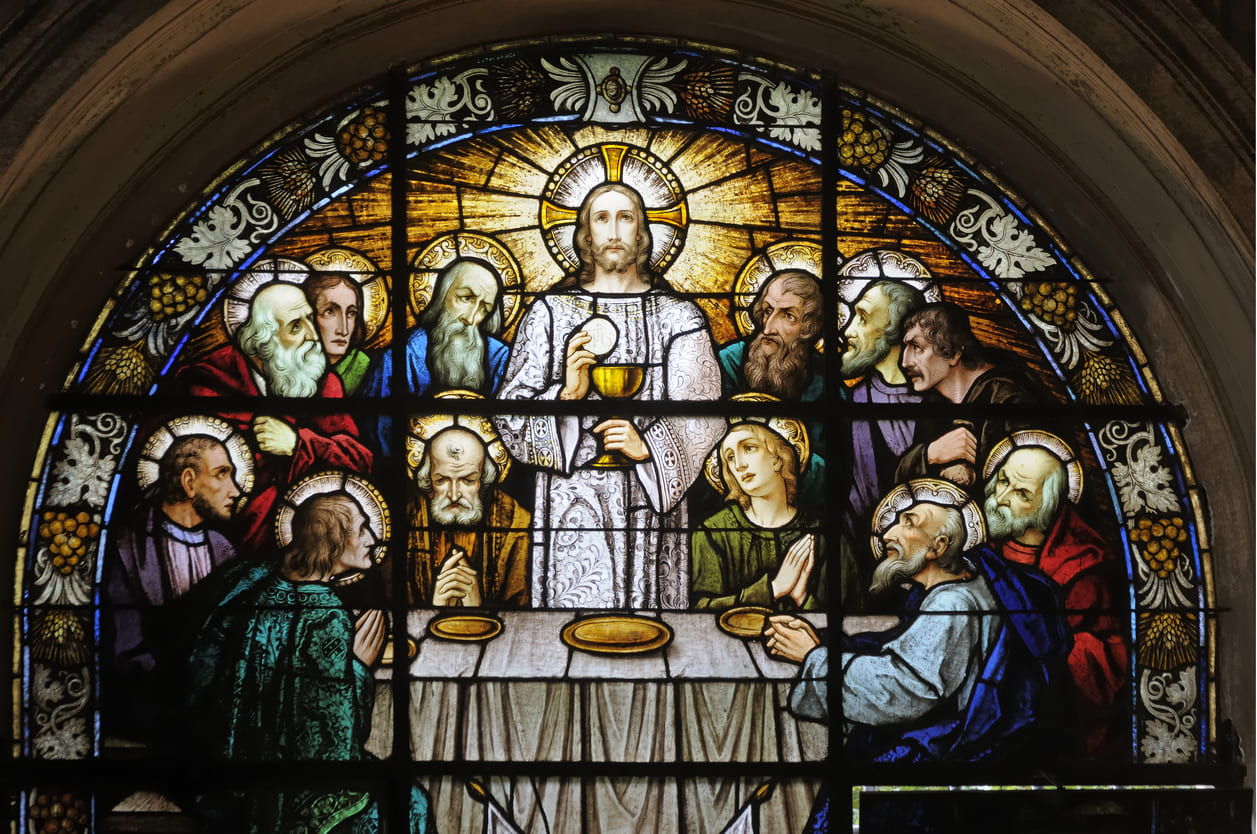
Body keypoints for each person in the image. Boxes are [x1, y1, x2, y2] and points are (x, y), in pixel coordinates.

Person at [495, 182, 724, 609]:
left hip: (652, 505)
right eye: (602, 219)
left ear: (642, 234)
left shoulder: (678, 315)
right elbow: (509, 414)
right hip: (571, 500)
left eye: (626, 218)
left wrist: (649, 446)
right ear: (585, 235)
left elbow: (706, 412)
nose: (614, 230)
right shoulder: (548, 313)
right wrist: (565, 397)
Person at [767, 479, 1070, 766]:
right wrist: (825, 642)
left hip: (935, 758)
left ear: (939, 546)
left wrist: (815, 659)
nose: (888, 534)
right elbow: (901, 651)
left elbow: (904, 691)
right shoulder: (960, 587)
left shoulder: (953, 605)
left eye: (908, 523)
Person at [186, 491, 433, 833]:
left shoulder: (267, 590)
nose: (372, 539)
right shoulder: (326, 614)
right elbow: (335, 736)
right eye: (362, 530)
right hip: (303, 796)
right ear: (333, 541)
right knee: (411, 802)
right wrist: (360, 667)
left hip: (256, 780)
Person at [171, 281, 372, 548]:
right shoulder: (211, 383)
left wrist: (298, 445)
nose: (313, 336)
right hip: (220, 545)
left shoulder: (321, 380)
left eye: (310, 320)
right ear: (262, 340)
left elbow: (360, 461)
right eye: (296, 327)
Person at [983, 435, 1129, 755]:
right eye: (1002, 481)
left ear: (1048, 507)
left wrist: (1039, 660)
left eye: (1021, 493)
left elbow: (1109, 663)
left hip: (1057, 731)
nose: (1001, 497)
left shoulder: (1082, 573)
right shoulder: (982, 552)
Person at [102, 433, 241, 741]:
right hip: (148, 721)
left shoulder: (224, 552)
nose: (236, 490)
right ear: (189, 481)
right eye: (222, 474)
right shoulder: (129, 549)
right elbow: (126, 652)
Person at [691, 421, 859, 612]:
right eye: (729, 457)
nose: (739, 465)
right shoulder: (712, 533)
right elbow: (700, 610)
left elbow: (854, 617)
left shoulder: (826, 538)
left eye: (749, 448)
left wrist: (802, 599)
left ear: (778, 457)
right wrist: (772, 589)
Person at [362, 260, 510, 456]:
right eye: (466, 298)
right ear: (442, 295)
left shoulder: (499, 358)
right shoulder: (402, 356)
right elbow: (377, 437)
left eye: (484, 308)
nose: (471, 318)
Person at [894, 301, 1042, 490]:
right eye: (905, 347)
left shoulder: (1009, 399)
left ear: (954, 353)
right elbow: (900, 485)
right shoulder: (933, 406)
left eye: (916, 347)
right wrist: (931, 454)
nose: (905, 362)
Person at [391, 426, 530, 607]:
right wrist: (435, 608)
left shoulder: (515, 522)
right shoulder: (409, 520)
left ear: (484, 479)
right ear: (428, 479)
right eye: (441, 480)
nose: (454, 495)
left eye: (468, 480)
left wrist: (476, 608)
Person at [839, 279, 925, 542]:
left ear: (896, 332)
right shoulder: (850, 404)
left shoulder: (940, 404)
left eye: (862, 318)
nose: (848, 331)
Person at [717, 269, 825, 402]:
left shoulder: (823, 378)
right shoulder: (730, 360)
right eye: (768, 311)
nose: (768, 329)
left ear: (809, 327)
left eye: (788, 316)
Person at [304, 272, 371, 395]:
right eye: (330, 311)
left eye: (351, 313)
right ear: (309, 317)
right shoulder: (292, 366)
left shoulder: (368, 370)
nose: (343, 330)